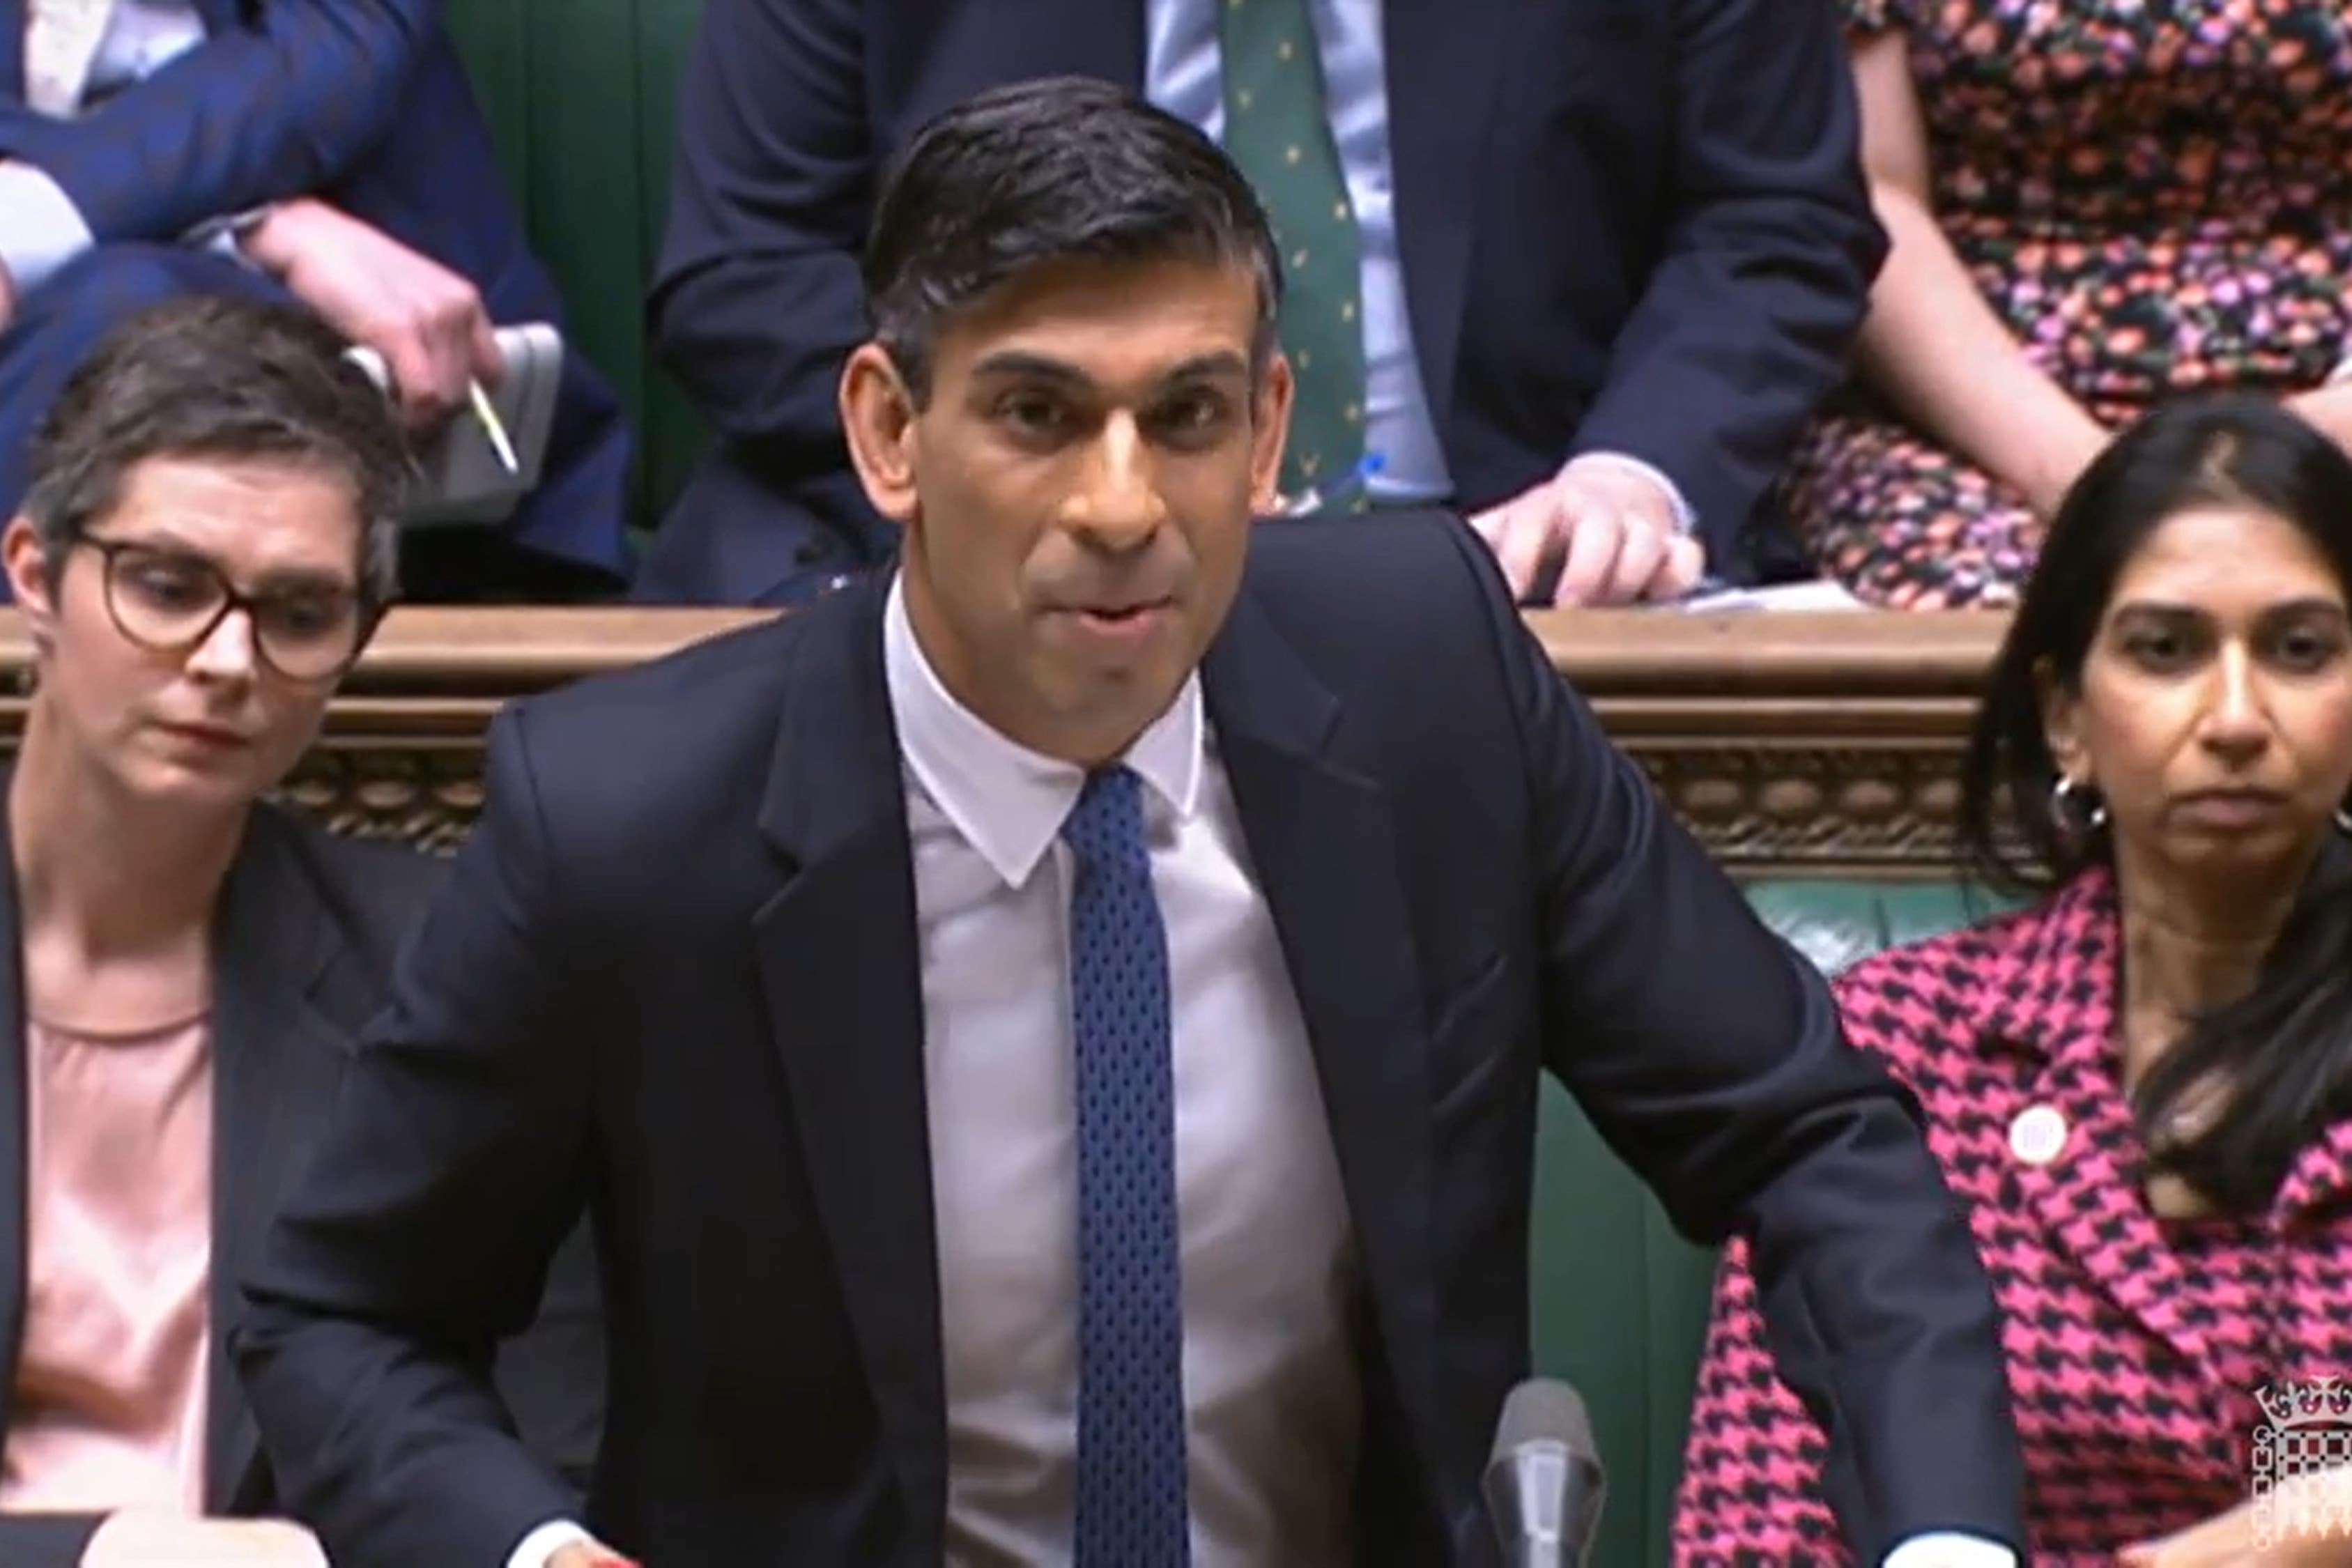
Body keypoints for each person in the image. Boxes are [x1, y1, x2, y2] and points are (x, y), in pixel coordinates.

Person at [236, 79, 2020, 1568]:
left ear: (1269, 435)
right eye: (1036, 412)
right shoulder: (633, 814)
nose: (1119, 505)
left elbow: (1806, 1135)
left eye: (1185, 417)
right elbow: (344, 1316)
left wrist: (1945, 1546)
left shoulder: (1432, 689)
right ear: (887, 430)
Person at [1674, 396, 2352, 1564]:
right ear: (2065, 716)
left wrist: (2284, 1535)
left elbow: (2318, 1434)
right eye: (2166, 650)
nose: (2237, 717)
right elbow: (1759, 1525)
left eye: (2300, 650)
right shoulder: (1904, 1047)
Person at [0, 295, 603, 1566]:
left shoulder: (446, 967)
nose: (228, 660)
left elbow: (540, 1454)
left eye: (297, 612)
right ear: (34, 576)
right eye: (167, 586)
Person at [634, 0, 1884, 608]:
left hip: (1517, 562)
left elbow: (1772, 220)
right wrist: (1037, 456)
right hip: (1014, 557)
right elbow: (747, 269)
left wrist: (1631, 475)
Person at [0, 0, 636, 602]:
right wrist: (257, 225)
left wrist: (25, 230)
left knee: (124, 317)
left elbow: (335, 41)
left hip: (415, 429)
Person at [1783, 0, 2352, 608]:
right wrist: (2086, 476)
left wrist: (2304, 436)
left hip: (2326, 394)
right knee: (2016, 624)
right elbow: (1871, 195)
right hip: (1973, 415)